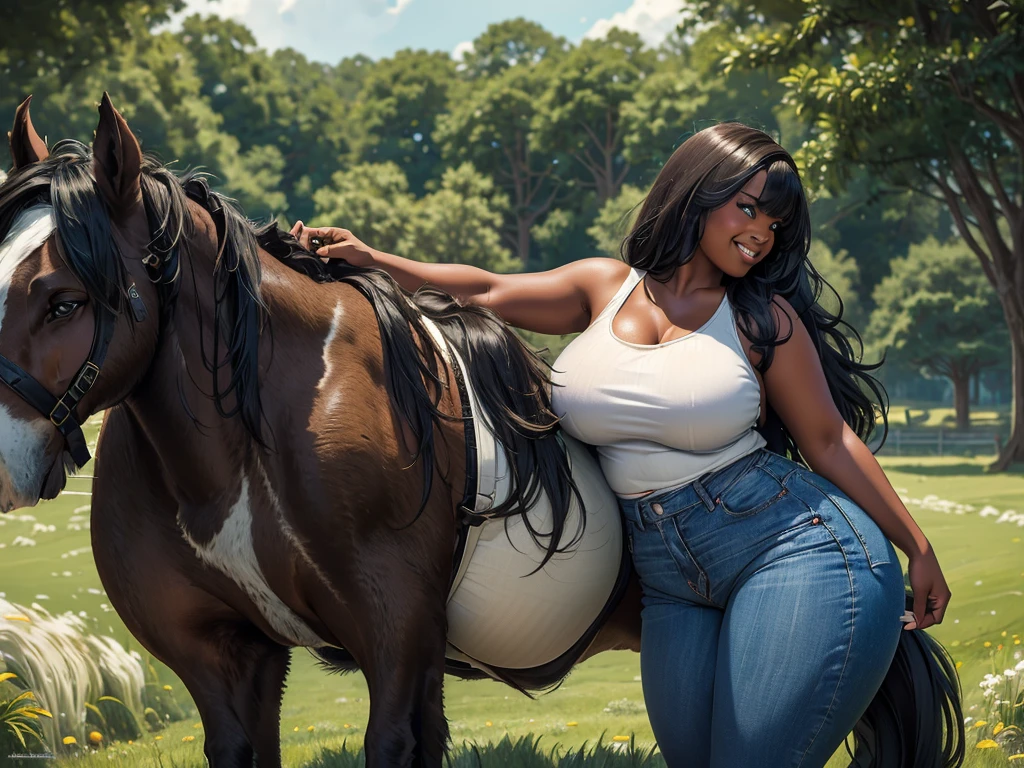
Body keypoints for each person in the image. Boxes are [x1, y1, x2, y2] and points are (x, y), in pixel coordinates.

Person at [291, 122, 956, 767]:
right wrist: (375, 261)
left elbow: (828, 439)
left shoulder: (761, 318)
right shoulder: (604, 287)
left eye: (773, 224)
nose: (760, 234)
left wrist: (917, 547)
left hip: (795, 548)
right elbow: (489, 289)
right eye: (748, 209)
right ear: (696, 192)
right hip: (668, 578)